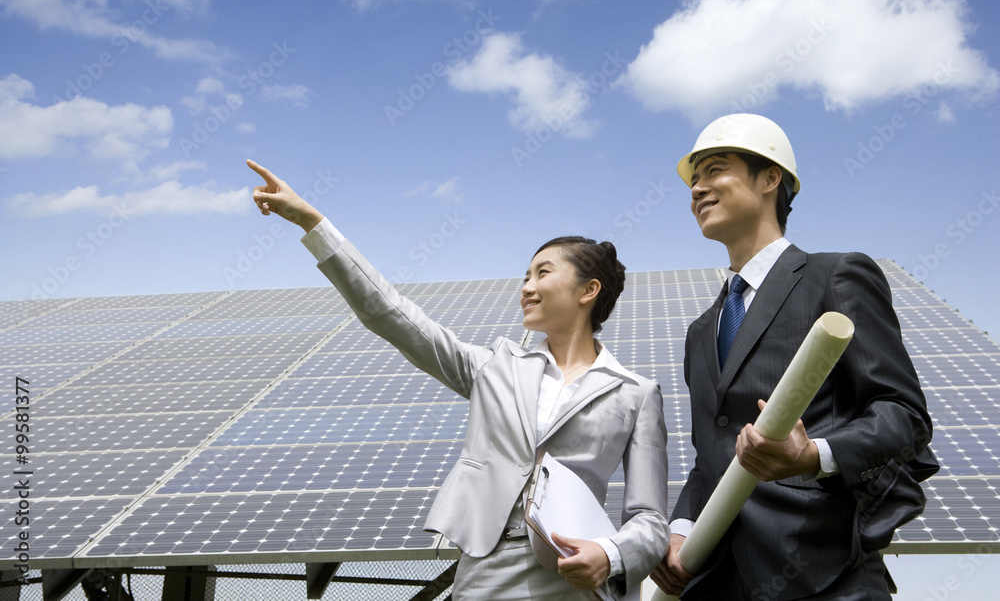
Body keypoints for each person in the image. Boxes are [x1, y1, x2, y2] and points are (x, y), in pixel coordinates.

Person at [247, 159, 669, 600]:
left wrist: (609, 555)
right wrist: (314, 224)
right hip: (487, 571)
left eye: (542, 273)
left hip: (576, 579)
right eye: (525, 275)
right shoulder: (492, 367)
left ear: (588, 291)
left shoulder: (636, 394)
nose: (525, 286)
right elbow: (389, 313)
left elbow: (650, 520)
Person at [650, 114, 938, 600]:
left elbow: (903, 417)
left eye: (715, 170)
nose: (698, 189)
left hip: (825, 573)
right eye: (693, 179)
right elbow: (711, 455)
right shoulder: (702, 330)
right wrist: (680, 528)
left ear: (770, 178)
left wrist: (814, 456)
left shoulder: (836, 277)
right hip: (718, 579)